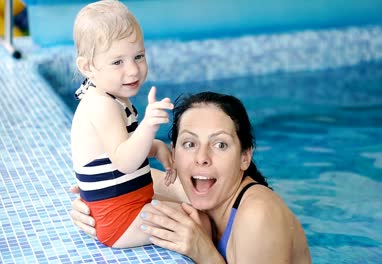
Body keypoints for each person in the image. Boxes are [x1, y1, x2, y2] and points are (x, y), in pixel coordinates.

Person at [71, 92, 312, 263]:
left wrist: (203, 252)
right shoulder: (201, 189)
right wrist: (96, 198)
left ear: (244, 157)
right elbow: (151, 181)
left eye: (220, 145)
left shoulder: (258, 215)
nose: (202, 158)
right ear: (174, 153)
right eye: (189, 143)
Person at [70, 0, 177, 248]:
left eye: (138, 56)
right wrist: (149, 125)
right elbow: (125, 161)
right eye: (117, 62)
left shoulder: (113, 98)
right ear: (88, 67)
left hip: (128, 210)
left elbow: (117, 148)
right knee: (197, 222)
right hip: (120, 221)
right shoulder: (101, 105)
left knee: (187, 214)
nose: (133, 70)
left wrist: (156, 146)